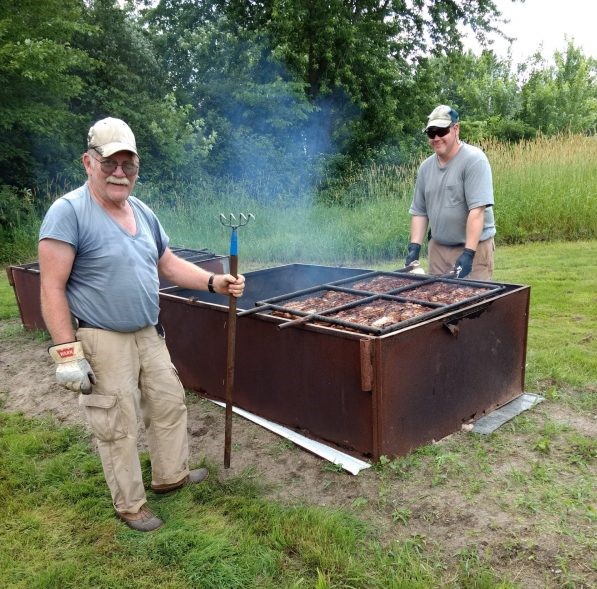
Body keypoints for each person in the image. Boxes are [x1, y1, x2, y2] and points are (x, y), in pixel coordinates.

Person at [38, 117, 245, 532]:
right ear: (88, 162)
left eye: (128, 165)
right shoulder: (68, 212)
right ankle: (131, 505)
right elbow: (51, 286)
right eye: (110, 162)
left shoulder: (143, 212)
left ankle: (171, 477)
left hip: (149, 333)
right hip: (102, 337)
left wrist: (212, 282)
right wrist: (66, 353)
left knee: (169, 404)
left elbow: (166, 264)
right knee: (118, 423)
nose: (120, 172)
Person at [405, 105, 496, 280]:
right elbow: (419, 212)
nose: (437, 137)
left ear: (456, 129)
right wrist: (414, 249)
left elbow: (477, 211)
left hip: (473, 248)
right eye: (431, 133)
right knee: (436, 302)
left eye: (442, 131)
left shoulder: (474, 160)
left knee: (473, 303)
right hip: (438, 249)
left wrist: (469, 253)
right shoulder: (425, 168)